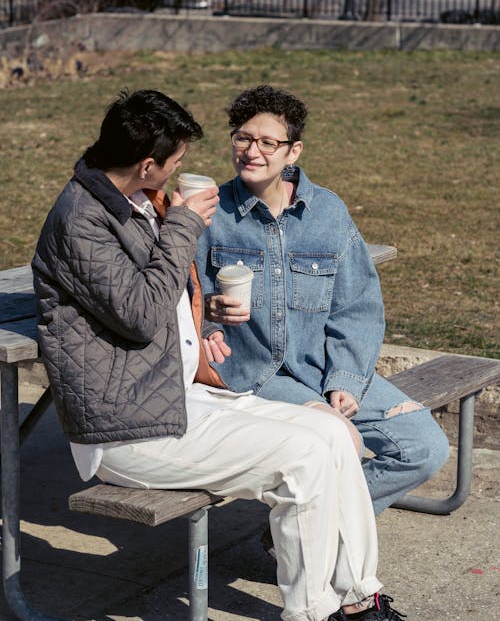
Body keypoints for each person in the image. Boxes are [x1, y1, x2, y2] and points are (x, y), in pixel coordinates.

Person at [32, 89, 406, 621]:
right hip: (129, 427)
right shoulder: (81, 221)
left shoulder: (135, 200)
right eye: (178, 161)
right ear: (147, 164)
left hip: (175, 396)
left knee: (331, 435)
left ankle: (359, 601)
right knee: (302, 458)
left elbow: (158, 298)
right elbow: (138, 313)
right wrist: (186, 225)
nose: (184, 168)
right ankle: (312, 613)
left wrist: (203, 325)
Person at [195, 84, 450, 517]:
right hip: (253, 373)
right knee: (336, 443)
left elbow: (358, 308)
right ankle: (314, 540)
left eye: (268, 143)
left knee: (424, 447)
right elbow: (180, 301)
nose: (251, 151)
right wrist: (210, 319)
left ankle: (305, 527)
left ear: (293, 152)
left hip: (322, 368)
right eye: (243, 137)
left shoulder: (328, 213)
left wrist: (346, 379)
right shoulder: (209, 214)